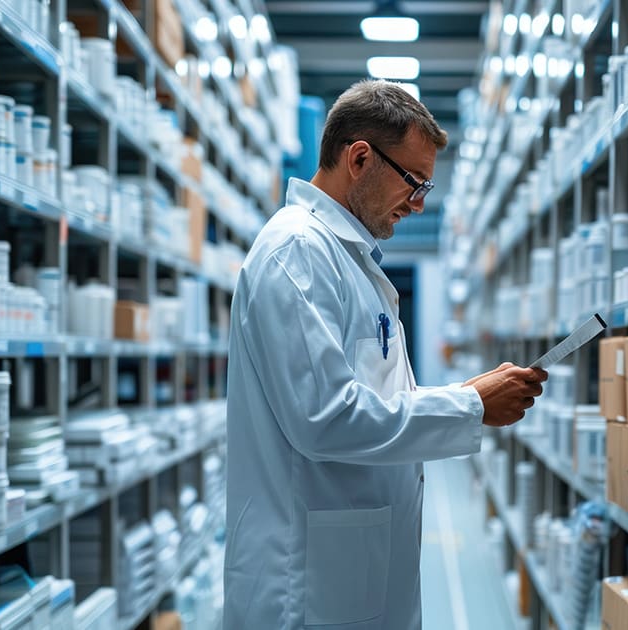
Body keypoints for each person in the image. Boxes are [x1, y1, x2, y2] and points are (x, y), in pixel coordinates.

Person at [222, 79, 548, 629]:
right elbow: (324, 419)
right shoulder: (298, 252)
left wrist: (467, 394)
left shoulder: (347, 259)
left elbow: (376, 398)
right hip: (306, 590)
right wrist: (469, 406)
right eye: (415, 182)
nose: (419, 204)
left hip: (350, 575)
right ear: (359, 158)